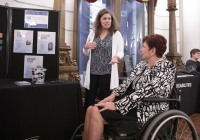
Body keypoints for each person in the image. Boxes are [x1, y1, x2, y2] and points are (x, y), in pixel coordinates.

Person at [82, 34, 176, 140]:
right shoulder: (142, 64)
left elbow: (147, 91)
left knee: (95, 112)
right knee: (90, 109)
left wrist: (118, 105)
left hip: (147, 108)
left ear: (152, 51)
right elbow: (127, 82)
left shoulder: (167, 67)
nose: (141, 50)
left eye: (144, 47)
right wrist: (113, 95)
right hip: (132, 104)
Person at [83, 9, 124, 112]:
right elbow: (86, 52)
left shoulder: (116, 34)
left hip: (107, 72)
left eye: (109, 18)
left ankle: (103, 125)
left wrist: (116, 57)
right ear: (99, 20)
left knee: (104, 100)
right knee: (89, 100)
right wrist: (86, 47)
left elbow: (120, 51)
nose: (107, 21)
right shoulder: (93, 33)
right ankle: (85, 123)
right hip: (92, 72)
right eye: (104, 18)